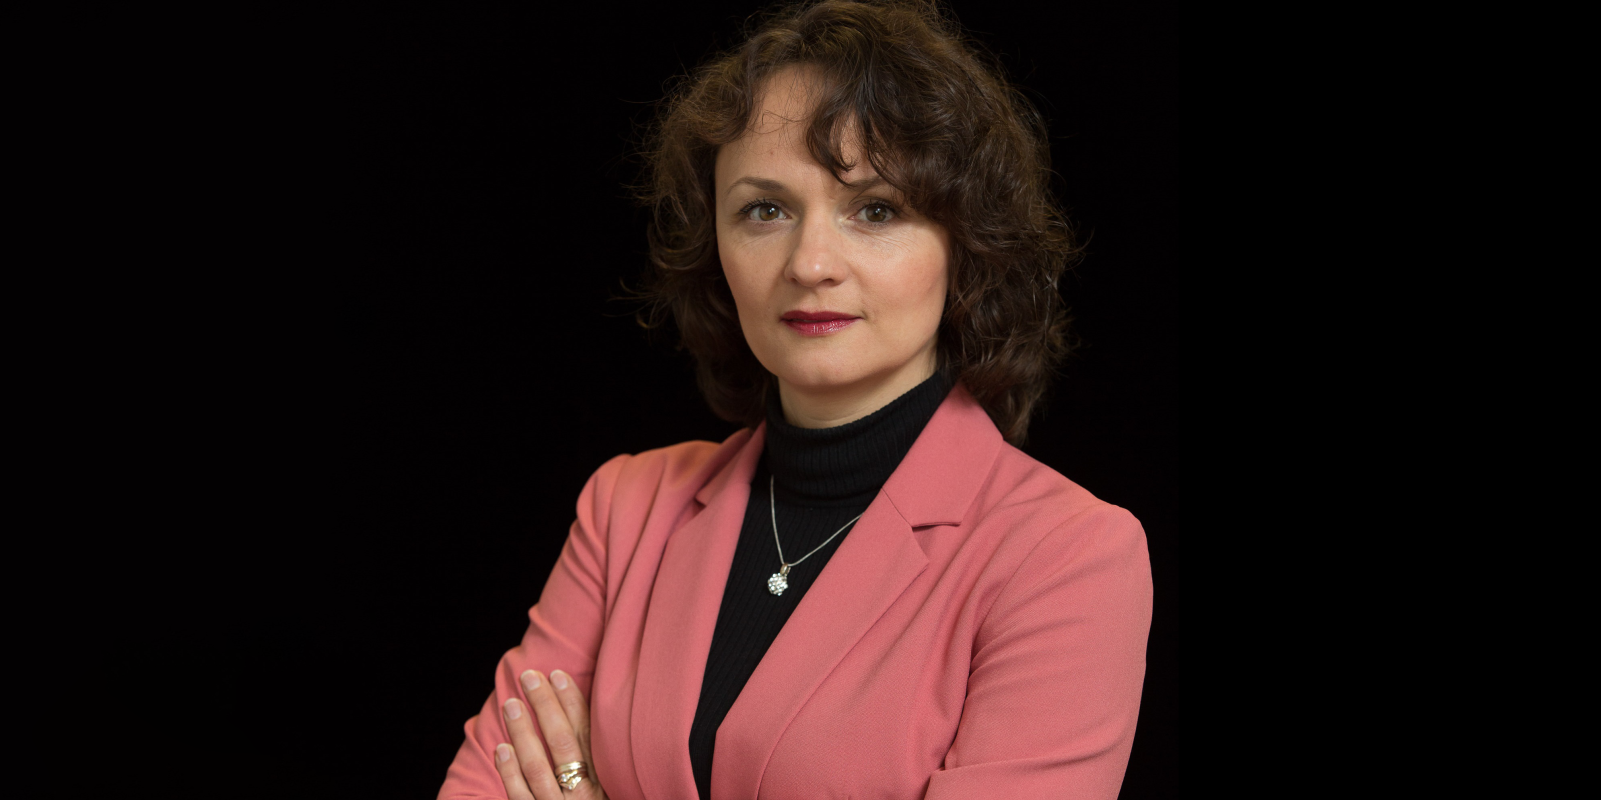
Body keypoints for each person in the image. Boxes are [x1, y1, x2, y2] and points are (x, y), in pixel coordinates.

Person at [438, 1, 1152, 797]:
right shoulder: (626, 509)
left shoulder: (1066, 557)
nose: (811, 262)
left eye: (875, 209)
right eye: (764, 209)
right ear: (717, 248)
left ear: (968, 246)